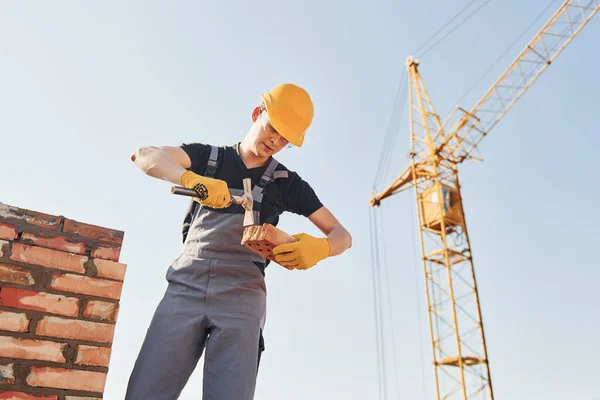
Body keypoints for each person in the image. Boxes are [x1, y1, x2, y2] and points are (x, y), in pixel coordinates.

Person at [125, 83, 352, 399]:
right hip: (185, 289)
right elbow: (144, 155)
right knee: (145, 393)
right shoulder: (210, 158)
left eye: (285, 138)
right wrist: (192, 179)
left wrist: (322, 247)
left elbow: (343, 236)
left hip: (242, 298)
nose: (275, 141)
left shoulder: (287, 183)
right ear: (257, 113)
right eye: (273, 128)